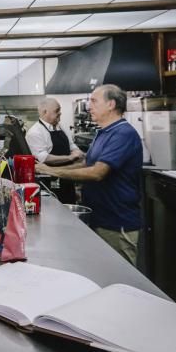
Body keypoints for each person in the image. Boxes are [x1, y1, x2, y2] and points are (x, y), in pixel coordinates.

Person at [36, 84, 143, 265]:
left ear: (111, 104)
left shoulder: (123, 133)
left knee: (118, 281)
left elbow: (97, 172)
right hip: (99, 218)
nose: (88, 106)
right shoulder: (103, 132)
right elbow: (87, 163)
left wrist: (51, 171)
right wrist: (44, 169)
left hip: (116, 223)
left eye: (94, 101)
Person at [26, 98, 83, 203]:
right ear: (44, 112)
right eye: (57, 110)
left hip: (67, 178)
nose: (60, 113)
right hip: (51, 182)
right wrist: (70, 157)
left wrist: (76, 152)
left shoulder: (60, 127)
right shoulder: (35, 132)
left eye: (59, 110)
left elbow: (72, 145)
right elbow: (44, 158)